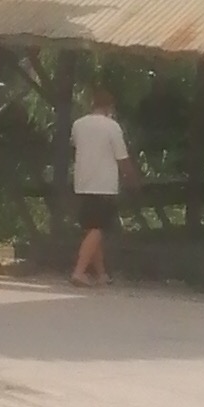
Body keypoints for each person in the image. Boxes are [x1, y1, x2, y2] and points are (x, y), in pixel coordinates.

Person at [69, 93, 133, 285]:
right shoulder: (112, 126)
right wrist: (131, 177)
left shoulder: (78, 125)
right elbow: (122, 157)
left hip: (82, 182)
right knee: (98, 228)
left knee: (92, 228)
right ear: (110, 107)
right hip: (104, 184)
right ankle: (79, 272)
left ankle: (101, 274)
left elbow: (75, 147)